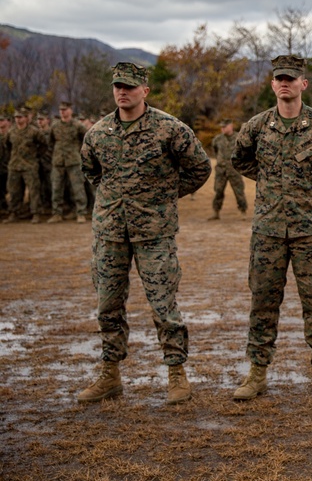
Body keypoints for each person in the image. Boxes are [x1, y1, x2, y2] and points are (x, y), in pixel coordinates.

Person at [77, 62, 211, 404]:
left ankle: (176, 374)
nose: (123, 91)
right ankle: (110, 375)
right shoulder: (98, 133)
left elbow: (200, 168)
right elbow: (91, 172)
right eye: (118, 86)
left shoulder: (170, 129)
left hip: (154, 232)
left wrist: (165, 195)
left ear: (145, 91)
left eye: (130, 87)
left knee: (164, 305)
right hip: (110, 232)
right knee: (108, 305)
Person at [230, 55, 312, 401]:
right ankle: (257, 372)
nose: (285, 83)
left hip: (310, 229)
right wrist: (272, 182)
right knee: (262, 302)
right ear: (272, 85)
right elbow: (239, 159)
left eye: (292, 78)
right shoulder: (257, 126)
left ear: (303, 84)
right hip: (268, 230)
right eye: (279, 79)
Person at [48, 101, 90, 223]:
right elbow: (50, 142)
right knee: (56, 188)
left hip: (73, 161)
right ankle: (57, 213)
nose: (63, 112)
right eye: (61, 110)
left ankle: (81, 212)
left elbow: (87, 139)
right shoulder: (55, 126)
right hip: (58, 161)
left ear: (70, 110)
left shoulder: (77, 126)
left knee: (77, 188)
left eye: (65, 110)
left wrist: (80, 152)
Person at [5, 108, 47, 223]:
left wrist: (36, 156)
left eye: (20, 117)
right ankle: (14, 212)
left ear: (26, 118)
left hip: (30, 165)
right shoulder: (11, 132)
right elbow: (7, 146)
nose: (18, 120)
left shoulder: (34, 132)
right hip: (14, 165)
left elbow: (44, 144)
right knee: (14, 190)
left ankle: (35, 213)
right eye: (16, 117)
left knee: (34, 190)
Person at [208, 119, 247, 220]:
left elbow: (244, 152)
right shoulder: (217, 139)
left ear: (231, 126)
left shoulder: (239, 138)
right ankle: (216, 212)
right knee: (218, 191)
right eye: (221, 127)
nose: (222, 129)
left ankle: (243, 211)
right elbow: (215, 150)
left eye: (224, 126)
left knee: (239, 191)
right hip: (221, 170)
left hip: (234, 169)